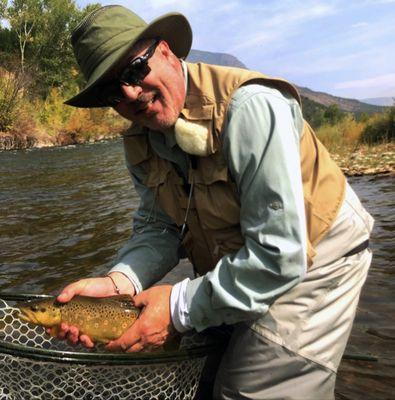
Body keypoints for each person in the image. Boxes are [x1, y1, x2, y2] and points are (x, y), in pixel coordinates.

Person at [57, 4, 374, 399]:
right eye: (110, 92)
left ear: (168, 52)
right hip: (242, 263)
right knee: (205, 378)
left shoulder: (250, 108)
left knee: (243, 390)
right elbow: (161, 227)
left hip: (319, 259)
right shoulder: (141, 140)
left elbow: (280, 256)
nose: (130, 94)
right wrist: (118, 280)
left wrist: (176, 307)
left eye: (134, 70)